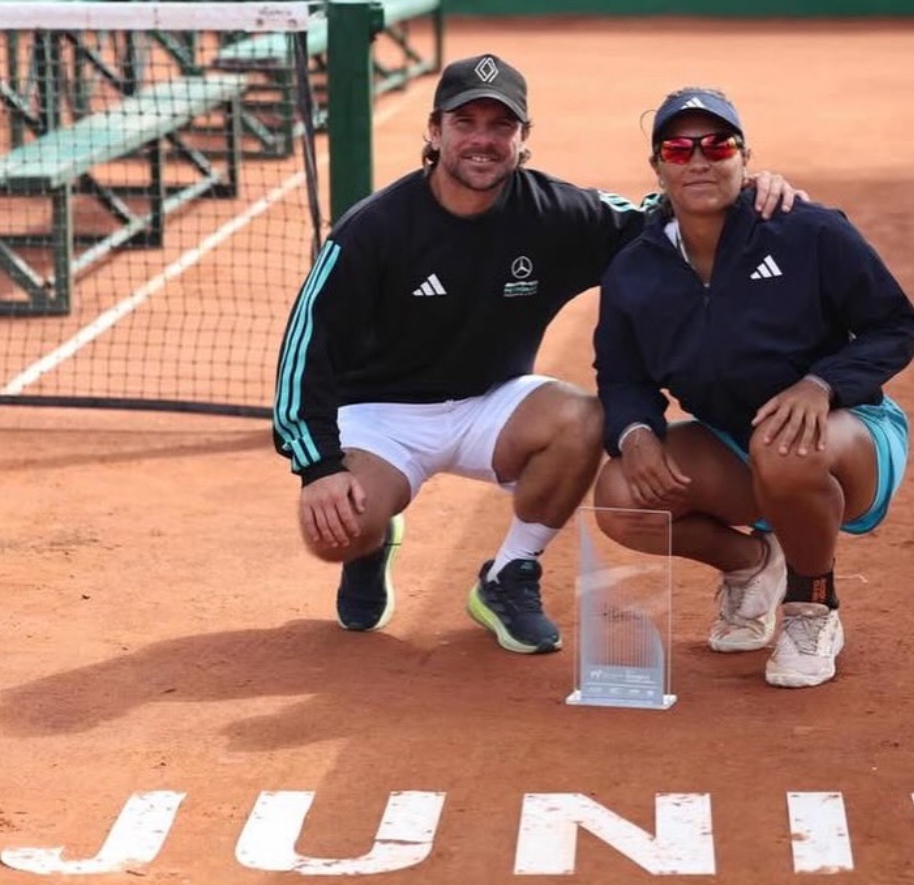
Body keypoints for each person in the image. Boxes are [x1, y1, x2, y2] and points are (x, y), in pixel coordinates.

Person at [272, 54, 805, 656]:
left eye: (501, 125)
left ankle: (509, 574)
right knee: (334, 534)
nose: (482, 140)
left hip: (492, 403)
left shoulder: (556, 212)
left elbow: (662, 220)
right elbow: (305, 350)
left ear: (523, 137)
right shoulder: (373, 229)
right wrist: (319, 468)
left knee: (584, 417)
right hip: (382, 417)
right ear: (435, 130)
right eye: (465, 122)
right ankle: (371, 543)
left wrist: (742, 189)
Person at [591, 86, 914, 687]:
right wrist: (635, 432)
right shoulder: (635, 268)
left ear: (744, 157)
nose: (699, 160)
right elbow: (621, 376)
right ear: (658, 167)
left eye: (718, 145)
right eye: (679, 149)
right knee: (620, 497)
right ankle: (753, 562)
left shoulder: (807, 230)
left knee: (784, 444)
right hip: (733, 441)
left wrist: (821, 384)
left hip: (849, 431)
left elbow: (895, 326)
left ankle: (812, 606)